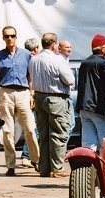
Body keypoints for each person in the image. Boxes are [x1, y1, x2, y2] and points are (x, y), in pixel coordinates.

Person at [0, 26, 39, 177]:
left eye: (12, 36)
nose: (9, 38)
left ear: (16, 37)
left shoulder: (25, 54)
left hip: (23, 92)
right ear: (3, 38)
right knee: (7, 130)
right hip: (6, 92)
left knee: (30, 127)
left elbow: (31, 76)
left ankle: (35, 160)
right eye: (6, 36)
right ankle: (10, 165)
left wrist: (32, 93)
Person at [28, 33, 74, 178]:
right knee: (59, 133)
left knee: (44, 134)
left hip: (40, 97)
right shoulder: (57, 60)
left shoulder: (34, 60)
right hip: (56, 98)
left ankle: (44, 168)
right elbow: (70, 80)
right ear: (54, 45)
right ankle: (57, 168)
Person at [19, 37, 40, 169]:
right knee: (33, 127)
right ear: (36, 48)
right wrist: (32, 95)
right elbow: (31, 79)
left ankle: (28, 156)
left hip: (25, 95)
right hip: (31, 95)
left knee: (30, 127)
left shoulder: (23, 58)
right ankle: (28, 156)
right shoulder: (32, 59)